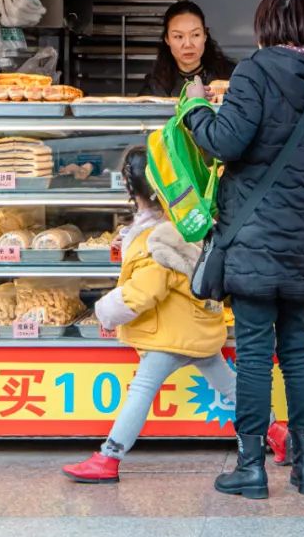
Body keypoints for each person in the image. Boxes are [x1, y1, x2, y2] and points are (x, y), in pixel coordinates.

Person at [183, 0, 304, 499]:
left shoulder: (253, 72)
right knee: (299, 353)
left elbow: (224, 142)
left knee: (255, 354)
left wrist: (197, 108)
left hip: (253, 241)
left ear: (265, 26)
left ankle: (251, 467)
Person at [61, 147, 287, 484]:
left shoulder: (156, 240)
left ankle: (108, 457)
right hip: (197, 325)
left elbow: (144, 291)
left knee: (141, 390)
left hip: (170, 334)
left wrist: (105, 312)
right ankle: (279, 433)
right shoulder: (182, 224)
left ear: (130, 188)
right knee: (231, 387)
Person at [139, 1, 236, 96]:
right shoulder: (155, 86)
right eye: (179, 36)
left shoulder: (231, 76)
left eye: (195, 35)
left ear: (205, 35)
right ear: (167, 39)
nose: (188, 44)